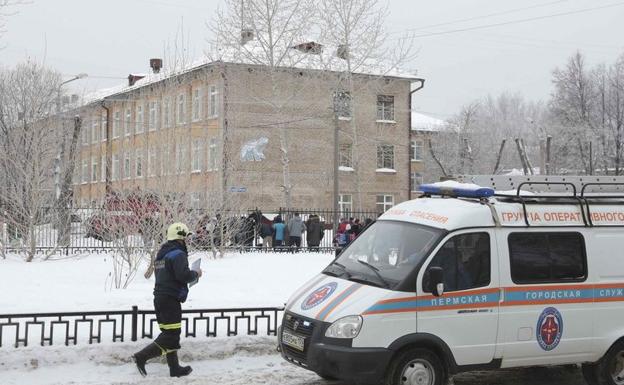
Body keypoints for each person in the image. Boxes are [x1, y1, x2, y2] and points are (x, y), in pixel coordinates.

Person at [133, 222, 202, 378]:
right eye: (186, 237)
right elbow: (183, 275)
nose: (188, 241)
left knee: (169, 333)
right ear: (181, 237)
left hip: (160, 298)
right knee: (171, 335)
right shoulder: (178, 254)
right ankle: (142, 356)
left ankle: (174, 368)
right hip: (170, 299)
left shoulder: (162, 254)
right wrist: (196, 273)